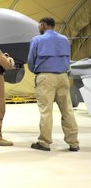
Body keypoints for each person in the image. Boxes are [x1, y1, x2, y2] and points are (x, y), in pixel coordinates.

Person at [27, 17, 79, 152]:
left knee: (46, 111)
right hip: (63, 76)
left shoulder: (37, 40)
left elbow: (31, 60)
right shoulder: (64, 39)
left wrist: (36, 72)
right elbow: (67, 58)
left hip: (46, 77)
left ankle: (44, 142)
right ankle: (73, 142)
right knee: (67, 110)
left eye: (39, 25)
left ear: (43, 25)